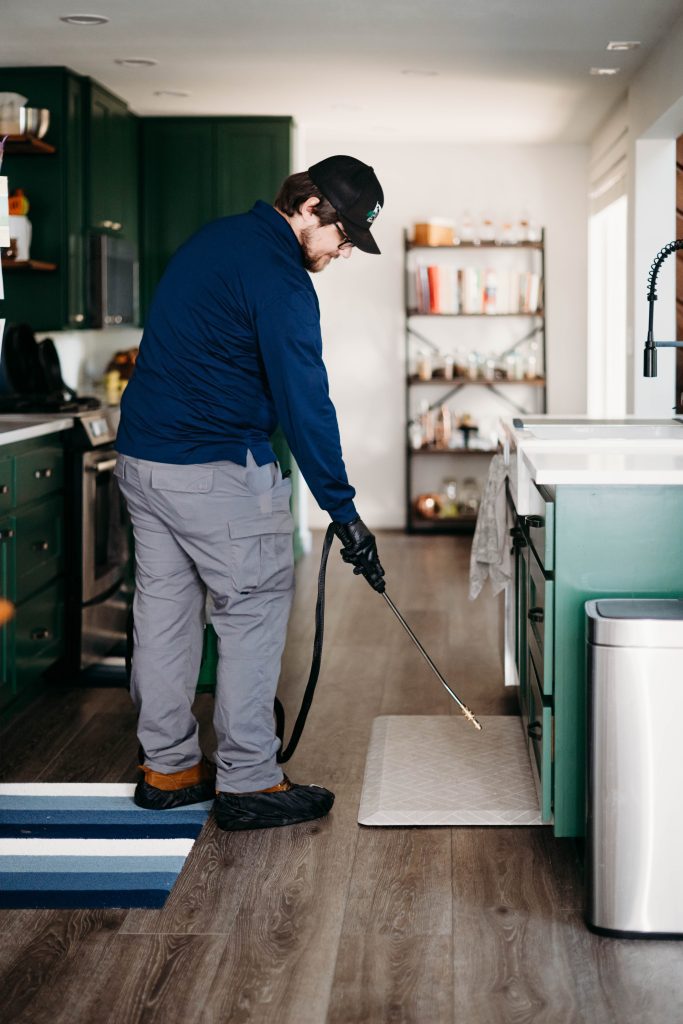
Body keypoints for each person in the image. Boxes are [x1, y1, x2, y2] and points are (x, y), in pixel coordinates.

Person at [115, 154, 386, 832]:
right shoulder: (282, 280)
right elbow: (305, 402)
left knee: (166, 614)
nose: (344, 249)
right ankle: (249, 781)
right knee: (252, 609)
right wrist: (343, 510)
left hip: (144, 459)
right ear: (311, 207)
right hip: (217, 469)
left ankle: (169, 769)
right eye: (344, 233)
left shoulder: (214, 238)